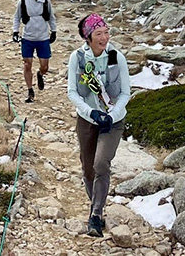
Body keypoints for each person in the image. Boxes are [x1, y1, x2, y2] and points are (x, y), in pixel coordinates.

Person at [67, 12, 131, 238]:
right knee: (87, 168)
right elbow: (72, 92)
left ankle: (95, 214)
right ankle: (96, 202)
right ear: (88, 37)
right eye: (99, 34)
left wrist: (111, 115)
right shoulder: (78, 58)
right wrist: (90, 111)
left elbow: (125, 93)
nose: (104, 38)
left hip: (113, 122)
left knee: (101, 163)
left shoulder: (116, 57)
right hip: (87, 120)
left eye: (106, 32)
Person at [11, 0, 57, 103]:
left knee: (45, 66)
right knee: (27, 64)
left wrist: (54, 31)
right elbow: (17, 17)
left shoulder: (46, 0)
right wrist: (15, 31)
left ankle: (40, 75)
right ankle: (30, 90)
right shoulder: (23, 2)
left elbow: (52, 17)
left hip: (43, 37)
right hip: (28, 38)